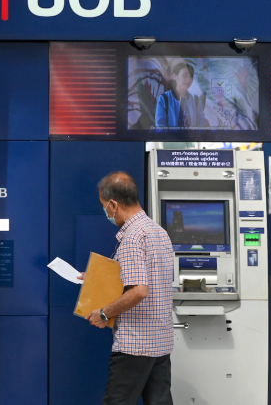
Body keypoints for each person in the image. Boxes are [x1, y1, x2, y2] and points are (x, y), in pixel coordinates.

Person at [83, 172, 175, 405]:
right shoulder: (158, 232)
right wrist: (96, 278)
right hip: (160, 342)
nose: (106, 212)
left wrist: (104, 313)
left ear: (113, 204)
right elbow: (150, 279)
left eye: (105, 206)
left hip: (135, 344)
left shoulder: (132, 238)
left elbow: (139, 291)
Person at [155, 62, 209, 128]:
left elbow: (202, 124)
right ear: (174, 76)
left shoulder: (196, 100)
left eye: (191, 76)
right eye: (185, 75)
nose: (188, 79)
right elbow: (160, 127)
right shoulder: (164, 99)